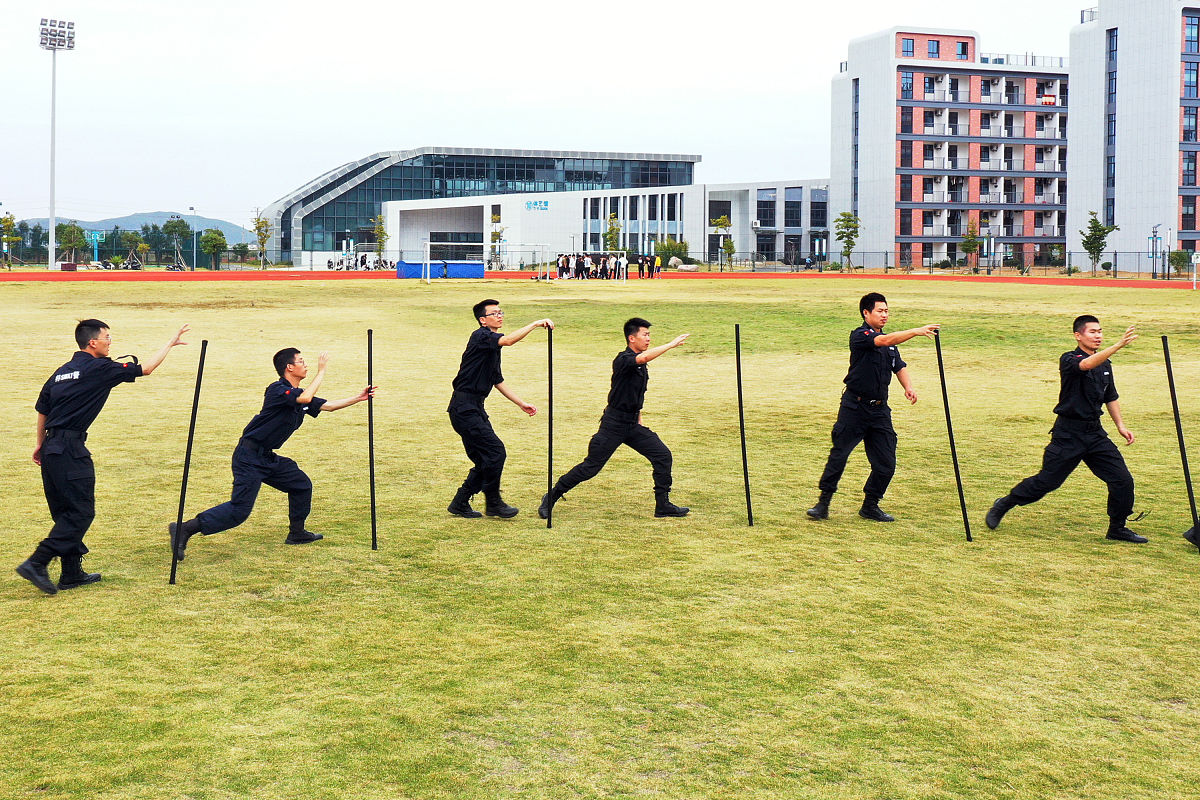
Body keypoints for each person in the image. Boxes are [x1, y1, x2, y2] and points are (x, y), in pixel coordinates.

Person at [17, 319, 190, 595]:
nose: (110, 342)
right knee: (80, 512)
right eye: (107, 337)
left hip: (51, 448)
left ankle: (71, 574)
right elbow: (145, 368)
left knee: (65, 512)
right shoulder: (98, 368)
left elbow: (43, 409)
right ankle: (37, 562)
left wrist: (40, 444)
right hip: (70, 449)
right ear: (92, 342)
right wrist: (170, 343)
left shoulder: (61, 372)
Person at [169, 349, 375, 561]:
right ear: (289, 367)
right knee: (239, 511)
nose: (306, 365)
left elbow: (328, 406)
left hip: (266, 457)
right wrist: (321, 371)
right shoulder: (278, 390)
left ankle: (297, 533)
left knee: (300, 484)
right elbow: (305, 397)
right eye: (301, 361)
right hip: (248, 457)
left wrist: (359, 398)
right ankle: (185, 528)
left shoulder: (298, 394)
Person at [985, 316, 1144, 542]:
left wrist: (1121, 426)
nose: (1098, 336)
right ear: (1078, 335)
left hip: (1095, 434)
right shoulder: (1069, 359)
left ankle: (1117, 528)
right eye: (1092, 332)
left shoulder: (1105, 365)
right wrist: (1117, 345)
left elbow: (1110, 396)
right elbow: (1086, 365)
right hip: (1068, 434)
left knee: (1122, 480)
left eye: (1100, 331)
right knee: (1047, 482)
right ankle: (1005, 503)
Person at [807, 293, 939, 522]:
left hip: (879, 411)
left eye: (887, 311)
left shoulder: (890, 343)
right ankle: (823, 503)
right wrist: (915, 331)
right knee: (839, 455)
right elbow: (884, 341)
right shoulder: (860, 336)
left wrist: (908, 387)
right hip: (854, 408)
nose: (885, 315)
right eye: (880, 311)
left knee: (886, 462)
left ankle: (870, 505)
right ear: (866, 313)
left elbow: (899, 366)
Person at [540, 318, 690, 520]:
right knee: (591, 467)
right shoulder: (623, 359)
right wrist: (671, 344)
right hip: (613, 425)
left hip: (632, 425)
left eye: (649, 335)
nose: (648, 339)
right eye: (645, 335)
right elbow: (643, 358)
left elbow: (634, 396)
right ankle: (551, 496)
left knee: (662, 456)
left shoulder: (641, 365)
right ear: (632, 338)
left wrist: (639, 422)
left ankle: (663, 505)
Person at [446, 300, 554, 518]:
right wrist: (535, 324)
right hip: (464, 408)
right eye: (494, 313)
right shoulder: (481, 336)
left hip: (473, 407)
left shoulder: (492, 347)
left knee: (485, 459)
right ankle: (493, 503)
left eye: (500, 312)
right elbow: (509, 340)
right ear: (482, 320)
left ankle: (460, 502)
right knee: (495, 452)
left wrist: (521, 403)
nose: (499, 316)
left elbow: (497, 380)